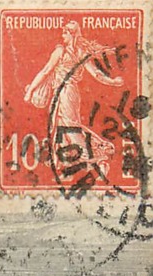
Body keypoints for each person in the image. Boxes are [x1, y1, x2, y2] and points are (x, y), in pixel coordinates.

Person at [24, 21, 124, 176]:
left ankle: (98, 159)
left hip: (65, 94)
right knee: (61, 127)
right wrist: (112, 81)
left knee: (71, 129)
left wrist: (30, 91)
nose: (62, 35)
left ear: (72, 34)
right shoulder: (81, 52)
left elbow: (45, 71)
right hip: (66, 93)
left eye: (65, 32)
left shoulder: (61, 51)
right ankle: (66, 163)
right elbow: (97, 74)